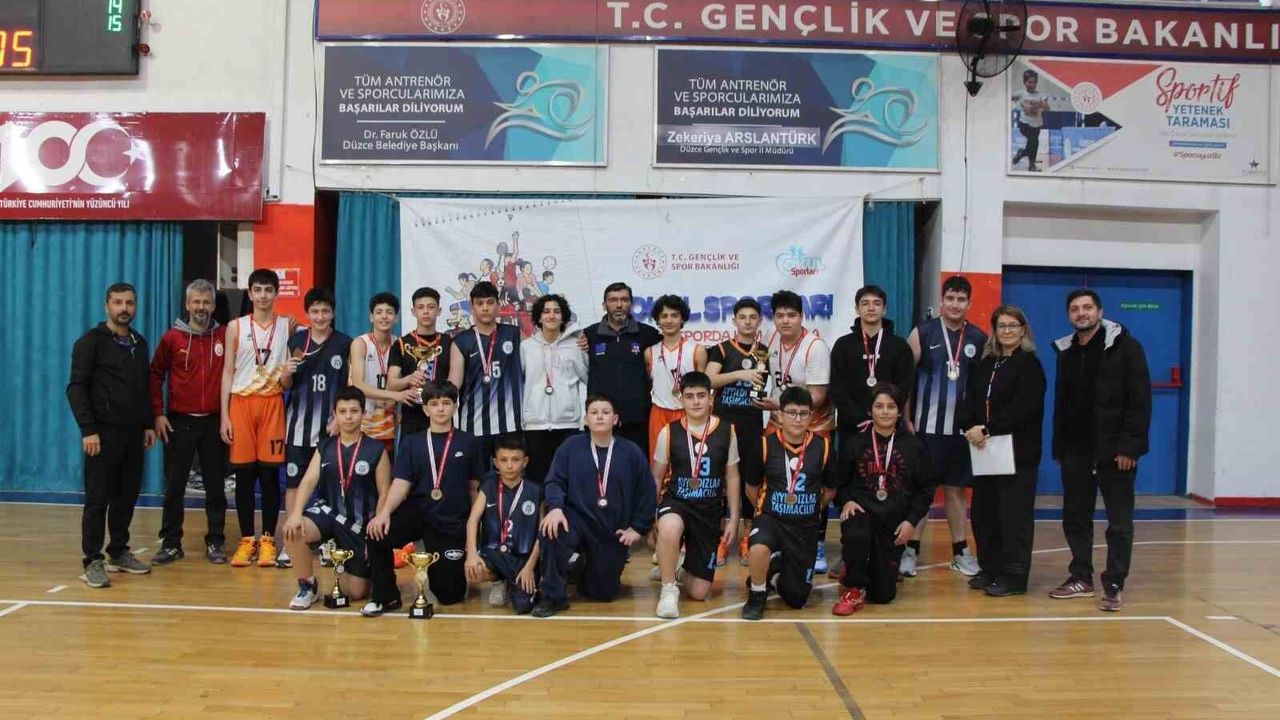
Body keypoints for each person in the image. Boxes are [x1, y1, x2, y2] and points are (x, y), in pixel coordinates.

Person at [1049, 289, 1150, 612]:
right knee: (1075, 517)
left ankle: (1115, 583)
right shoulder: (1066, 351)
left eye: (1087, 307)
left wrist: (1129, 447)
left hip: (1116, 453)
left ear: (1100, 311)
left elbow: (1140, 401)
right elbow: (1063, 403)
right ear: (1069, 315)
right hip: (1075, 452)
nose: (1081, 313)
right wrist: (1060, 446)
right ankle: (1081, 577)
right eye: (1075, 309)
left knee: (1119, 523)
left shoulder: (1127, 348)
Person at [362, 381, 486, 616]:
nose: (441, 409)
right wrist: (384, 513)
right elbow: (401, 483)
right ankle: (385, 597)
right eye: (434, 404)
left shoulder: (469, 442)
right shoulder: (412, 442)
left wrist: (473, 533)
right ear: (425, 409)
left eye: (446, 403)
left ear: (455, 407)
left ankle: (442, 574)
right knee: (377, 533)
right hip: (420, 511)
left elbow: (474, 489)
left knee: (450, 596)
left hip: (451, 519)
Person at [532, 395, 657, 618]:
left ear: (615, 419)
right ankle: (553, 596)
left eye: (605, 412)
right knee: (552, 529)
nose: (600, 416)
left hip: (611, 528)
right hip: (575, 520)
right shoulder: (570, 447)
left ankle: (577, 567)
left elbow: (647, 491)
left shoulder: (631, 452)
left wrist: (638, 528)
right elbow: (554, 481)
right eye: (594, 412)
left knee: (603, 593)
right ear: (586, 419)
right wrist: (555, 508)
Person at [67, 283, 158, 587]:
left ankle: (118, 551)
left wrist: (147, 423)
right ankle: (92, 560)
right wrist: (88, 429)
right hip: (101, 435)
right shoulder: (90, 342)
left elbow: (143, 388)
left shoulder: (139, 343)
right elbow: (76, 388)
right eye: (118, 302)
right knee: (98, 498)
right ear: (107, 305)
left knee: (126, 496)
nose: (124, 308)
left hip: (133, 435)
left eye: (129, 303)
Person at [903, 276, 988, 577]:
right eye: (950, 298)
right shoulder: (922, 333)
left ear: (969, 303)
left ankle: (961, 552)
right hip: (924, 429)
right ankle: (910, 551)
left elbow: (983, 387)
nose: (955, 304)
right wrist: (906, 419)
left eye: (961, 299)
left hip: (960, 432)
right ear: (942, 300)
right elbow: (905, 379)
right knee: (921, 492)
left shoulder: (978, 338)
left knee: (956, 491)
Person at [959, 305, 1046, 597]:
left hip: (1018, 454)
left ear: (1023, 330)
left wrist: (988, 428)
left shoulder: (1030, 365)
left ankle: (1014, 576)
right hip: (985, 451)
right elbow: (970, 400)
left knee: (1014, 517)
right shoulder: (986, 363)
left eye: (1012, 326)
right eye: (1001, 326)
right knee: (985, 514)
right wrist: (970, 426)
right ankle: (991, 569)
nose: (1007, 331)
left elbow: (1023, 409)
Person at [281, 386, 390, 610]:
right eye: (343, 411)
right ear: (335, 414)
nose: (348, 417)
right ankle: (307, 585)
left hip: (358, 525)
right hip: (328, 513)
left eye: (354, 411)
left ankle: (346, 560)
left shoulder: (376, 449)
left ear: (364, 413)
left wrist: (375, 537)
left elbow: (385, 494)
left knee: (356, 593)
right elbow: (308, 481)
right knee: (293, 530)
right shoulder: (325, 446)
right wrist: (295, 513)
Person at [832, 383, 935, 615]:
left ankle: (857, 570)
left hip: (893, 522)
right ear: (870, 410)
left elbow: (926, 489)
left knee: (883, 595)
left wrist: (910, 522)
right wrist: (846, 500)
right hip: (861, 514)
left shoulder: (913, 446)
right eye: (879, 406)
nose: (885, 411)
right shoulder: (854, 443)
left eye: (891, 406)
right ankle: (854, 587)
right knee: (857, 533)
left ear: (899, 411)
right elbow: (839, 482)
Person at [149, 279, 229, 565]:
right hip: (179, 422)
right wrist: (158, 413)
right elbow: (155, 375)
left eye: (206, 302)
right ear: (187, 304)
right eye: (196, 302)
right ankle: (171, 543)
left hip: (214, 422)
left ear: (214, 305)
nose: (201, 307)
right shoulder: (172, 338)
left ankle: (216, 541)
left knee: (215, 486)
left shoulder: (225, 336)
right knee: (174, 485)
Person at [220, 269, 295, 568]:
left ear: (276, 293)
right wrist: (224, 415)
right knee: (244, 476)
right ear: (250, 294)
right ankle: (246, 539)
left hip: (272, 404)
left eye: (268, 290)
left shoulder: (287, 326)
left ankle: (267, 540)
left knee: (269, 477)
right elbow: (228, 371)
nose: (263, 295)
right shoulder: (235, 327)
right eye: (258, 290)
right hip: (240, 404)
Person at [742, 387, 837, 620]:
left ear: (811, 416)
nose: (797, 419)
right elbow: (751, 488)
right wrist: (766, 508)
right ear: (780, 415)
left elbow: (830, 490)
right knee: (758, 545)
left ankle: (773, 571)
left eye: (803, 413)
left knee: (796, 598)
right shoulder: (765, 445)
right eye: (792, 413)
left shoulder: (823, 447)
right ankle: (757, 593)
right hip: (772, 519)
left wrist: (809, 507)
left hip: (804, 525)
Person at [650, 372, 740, 618]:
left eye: (701, 395)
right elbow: (656, 477)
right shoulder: (669, 432)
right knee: (669, 526)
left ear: (711, 398)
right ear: (681, 399)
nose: (696, 401)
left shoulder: (727, 431)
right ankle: (668, 590)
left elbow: (732, 477)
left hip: (709, 510)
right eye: (689, 396)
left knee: (699, 592)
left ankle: (675, 569)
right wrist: (650, 516)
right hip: (677, 502)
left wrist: (733, 519)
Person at [279, 287, 352, 569]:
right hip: (298, 428)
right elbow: (284, 384)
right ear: (307, 314)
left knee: (330, 485)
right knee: (294, 485)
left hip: (330, 428)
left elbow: (349, 385)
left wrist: (339, 419)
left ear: (333, 313)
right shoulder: (296, 341)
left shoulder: (344, 343)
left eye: (325, 311)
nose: (320, 316)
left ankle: (326, 541)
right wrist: (286, 373)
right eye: (315, 311)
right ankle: (291, 540)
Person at [705, 297, 768, 566]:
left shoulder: (763, 351)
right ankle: (721, 539)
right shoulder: (721, 349)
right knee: (720, 483)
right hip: (723, 428)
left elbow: (763, 386)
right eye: (742, 317)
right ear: (734, 321)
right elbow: (708, 379)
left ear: (759, 321)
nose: (748, 322)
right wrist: (739, 375)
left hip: (752, 426)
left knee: (750, 483)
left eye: (753, 317)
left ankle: (747, 538)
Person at [464, 436, 543, 614]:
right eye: (504, 460)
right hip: (495, 553)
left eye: (515, 460)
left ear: (525, 462)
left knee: (523, 607)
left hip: (523, 557)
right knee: (476, 569)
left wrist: (529, 567)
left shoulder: (536, 491)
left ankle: (516, 582)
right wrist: (472, 554)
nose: (509, 465)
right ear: (495, 463)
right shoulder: (488, 487)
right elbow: (472, 521)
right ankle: (499, 581)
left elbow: (541, 534)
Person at [581, 282, 662, 455]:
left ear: (631, 304)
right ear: (604, 305)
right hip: (601, 419)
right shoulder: (589, 335)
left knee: (637, 465)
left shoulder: (648, 334)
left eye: (624, 300)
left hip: (638, 419)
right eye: (613, 300)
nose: (619, 305)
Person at [453, 281, 524, 463]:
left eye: (490, 302)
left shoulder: (515, 334)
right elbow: (454, 382)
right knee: (476, 477)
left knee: (512, 475)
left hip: (511, 424)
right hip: (473, 425)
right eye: (479, 303)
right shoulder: (461, 340)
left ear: (498, 305)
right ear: (472, 307)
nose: (485, 308)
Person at [520, 293, 588, 484]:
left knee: (568, 479)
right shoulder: (526, 347)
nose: (551, 315)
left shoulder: (576, 346)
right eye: (546, 311)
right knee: (537, 481)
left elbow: (588, 377)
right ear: (539, 317)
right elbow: (520, 383)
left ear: (563, 316)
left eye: (557, 311)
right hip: (535, 425)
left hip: (568, 424)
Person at [388, 286, 464, 443]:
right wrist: (409, 379)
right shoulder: (401, 344)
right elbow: (391, 384)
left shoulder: (450, 342)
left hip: (441, 416)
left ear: (439, 310)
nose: (426, 312)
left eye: (431, 307)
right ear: (413, 311)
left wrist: (438, 396)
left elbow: (454, 384)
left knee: (443, 457)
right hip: (411, 417)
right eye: (420, 307)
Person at [348, 292, 416, 458]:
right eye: (379, 312)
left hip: (389, 422)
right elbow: (358, 385)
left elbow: (403, 382)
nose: (384, 316)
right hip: (364, 420)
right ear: (371, 317)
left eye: (389, 312)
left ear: (396, 318)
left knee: (388, 468)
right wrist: (395, 395)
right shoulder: (360, 343)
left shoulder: (401, 345)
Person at [645, 294, 707, 453]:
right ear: (658, 320)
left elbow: (703, 388)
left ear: (682, 319)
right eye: (664, 316)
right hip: (659, 413)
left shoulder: (697, 350)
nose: (669, 320)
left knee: (687, 460)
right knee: (658, 461)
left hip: (687, 413)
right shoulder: (650, 352)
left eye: (674, 315)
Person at [1011, 68, 1049, 172]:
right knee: (1034, 143)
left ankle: (1023, 155)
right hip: (1024, 124)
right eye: (1030, 82)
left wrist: (1041, 104)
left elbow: (1047, 108)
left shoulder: (1041, 95)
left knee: (1032, 144)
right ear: (1025, 82)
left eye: (1035, 82)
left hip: (1037, 125)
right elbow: (1008, 98)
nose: (1032, 85)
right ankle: (1031, 165)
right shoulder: (1021, 93)